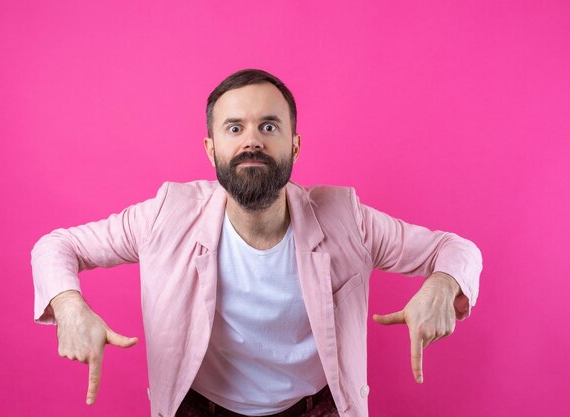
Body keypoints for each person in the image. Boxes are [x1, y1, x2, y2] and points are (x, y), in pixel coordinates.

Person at [31, 68, 482, 417]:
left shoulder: (346, 217)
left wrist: (442, 285)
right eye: (234, 128)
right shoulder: (167, 214)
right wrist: (69, 305)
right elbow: (57, 245)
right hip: (197, 408)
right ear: (210, 149)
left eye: (269, 127)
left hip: (317, 408)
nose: (252, 141)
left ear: (295, 145)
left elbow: (458, 250)